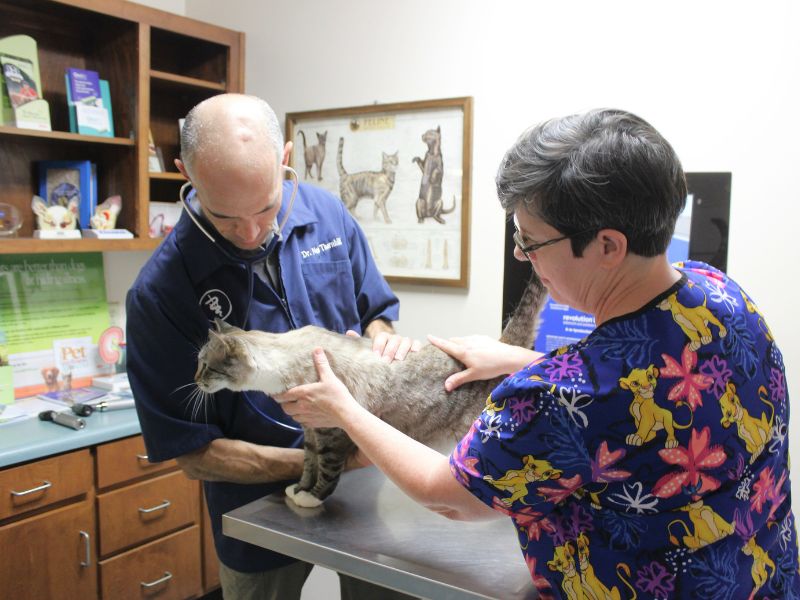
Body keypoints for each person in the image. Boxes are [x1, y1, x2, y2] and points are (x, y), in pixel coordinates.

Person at [277, 108, 799, 599]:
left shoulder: (553, 398)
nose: (520, 255)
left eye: (530, 242)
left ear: (608, 246)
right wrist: (517, 359)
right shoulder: (722, 296)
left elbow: (447, 495)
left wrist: (344, 407)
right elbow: (650, 384)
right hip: (759, 574)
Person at [126, 93, 417, 600]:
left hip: (365, 484)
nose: (252, 232)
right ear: (185, 174)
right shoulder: (160, 294)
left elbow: (378, 316)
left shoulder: (326, 213)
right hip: (254, 504)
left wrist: (383, 348)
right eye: (225, 217)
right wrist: (324, 464)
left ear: (285, 159)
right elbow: (194, 454)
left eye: (265, 207)